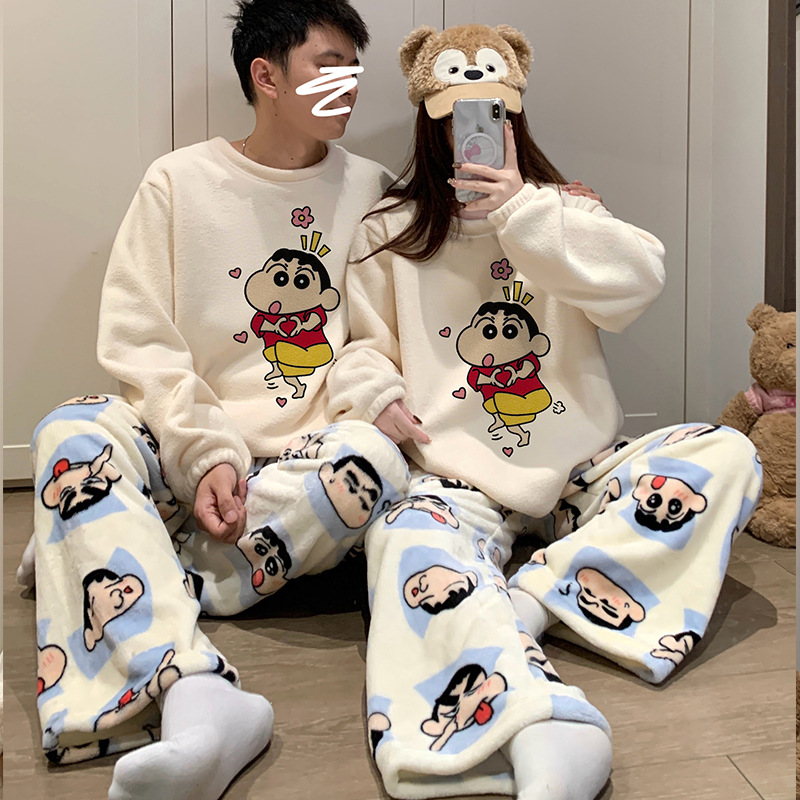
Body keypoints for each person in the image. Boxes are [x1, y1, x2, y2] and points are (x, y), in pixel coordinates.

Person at [327, 22, 763, 800]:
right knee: (401, 538)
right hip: (456, 476)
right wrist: (378, 395)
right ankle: (535, 722)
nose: (474, 134)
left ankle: (528, 601)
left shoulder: (560, 210)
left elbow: (641, 279)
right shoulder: (391, 228)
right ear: (430, 124)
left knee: (728, 454)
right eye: (457, 118)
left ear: (515, 118)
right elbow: (362, 349)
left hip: (580, 469)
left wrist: (526, 211)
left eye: (493, 115)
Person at [20, 2, 411, 799]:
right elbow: (141, 339)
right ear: (266, 76)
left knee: (375, 460)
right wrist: (204, 454)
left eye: (354, 68)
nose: (348, 84)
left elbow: (377, 339)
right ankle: (197, 696)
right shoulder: (179, 181)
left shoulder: (371, 190)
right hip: (185, 444)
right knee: (70, 429)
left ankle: (103, 546)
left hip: (305, 463)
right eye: (328, 65)